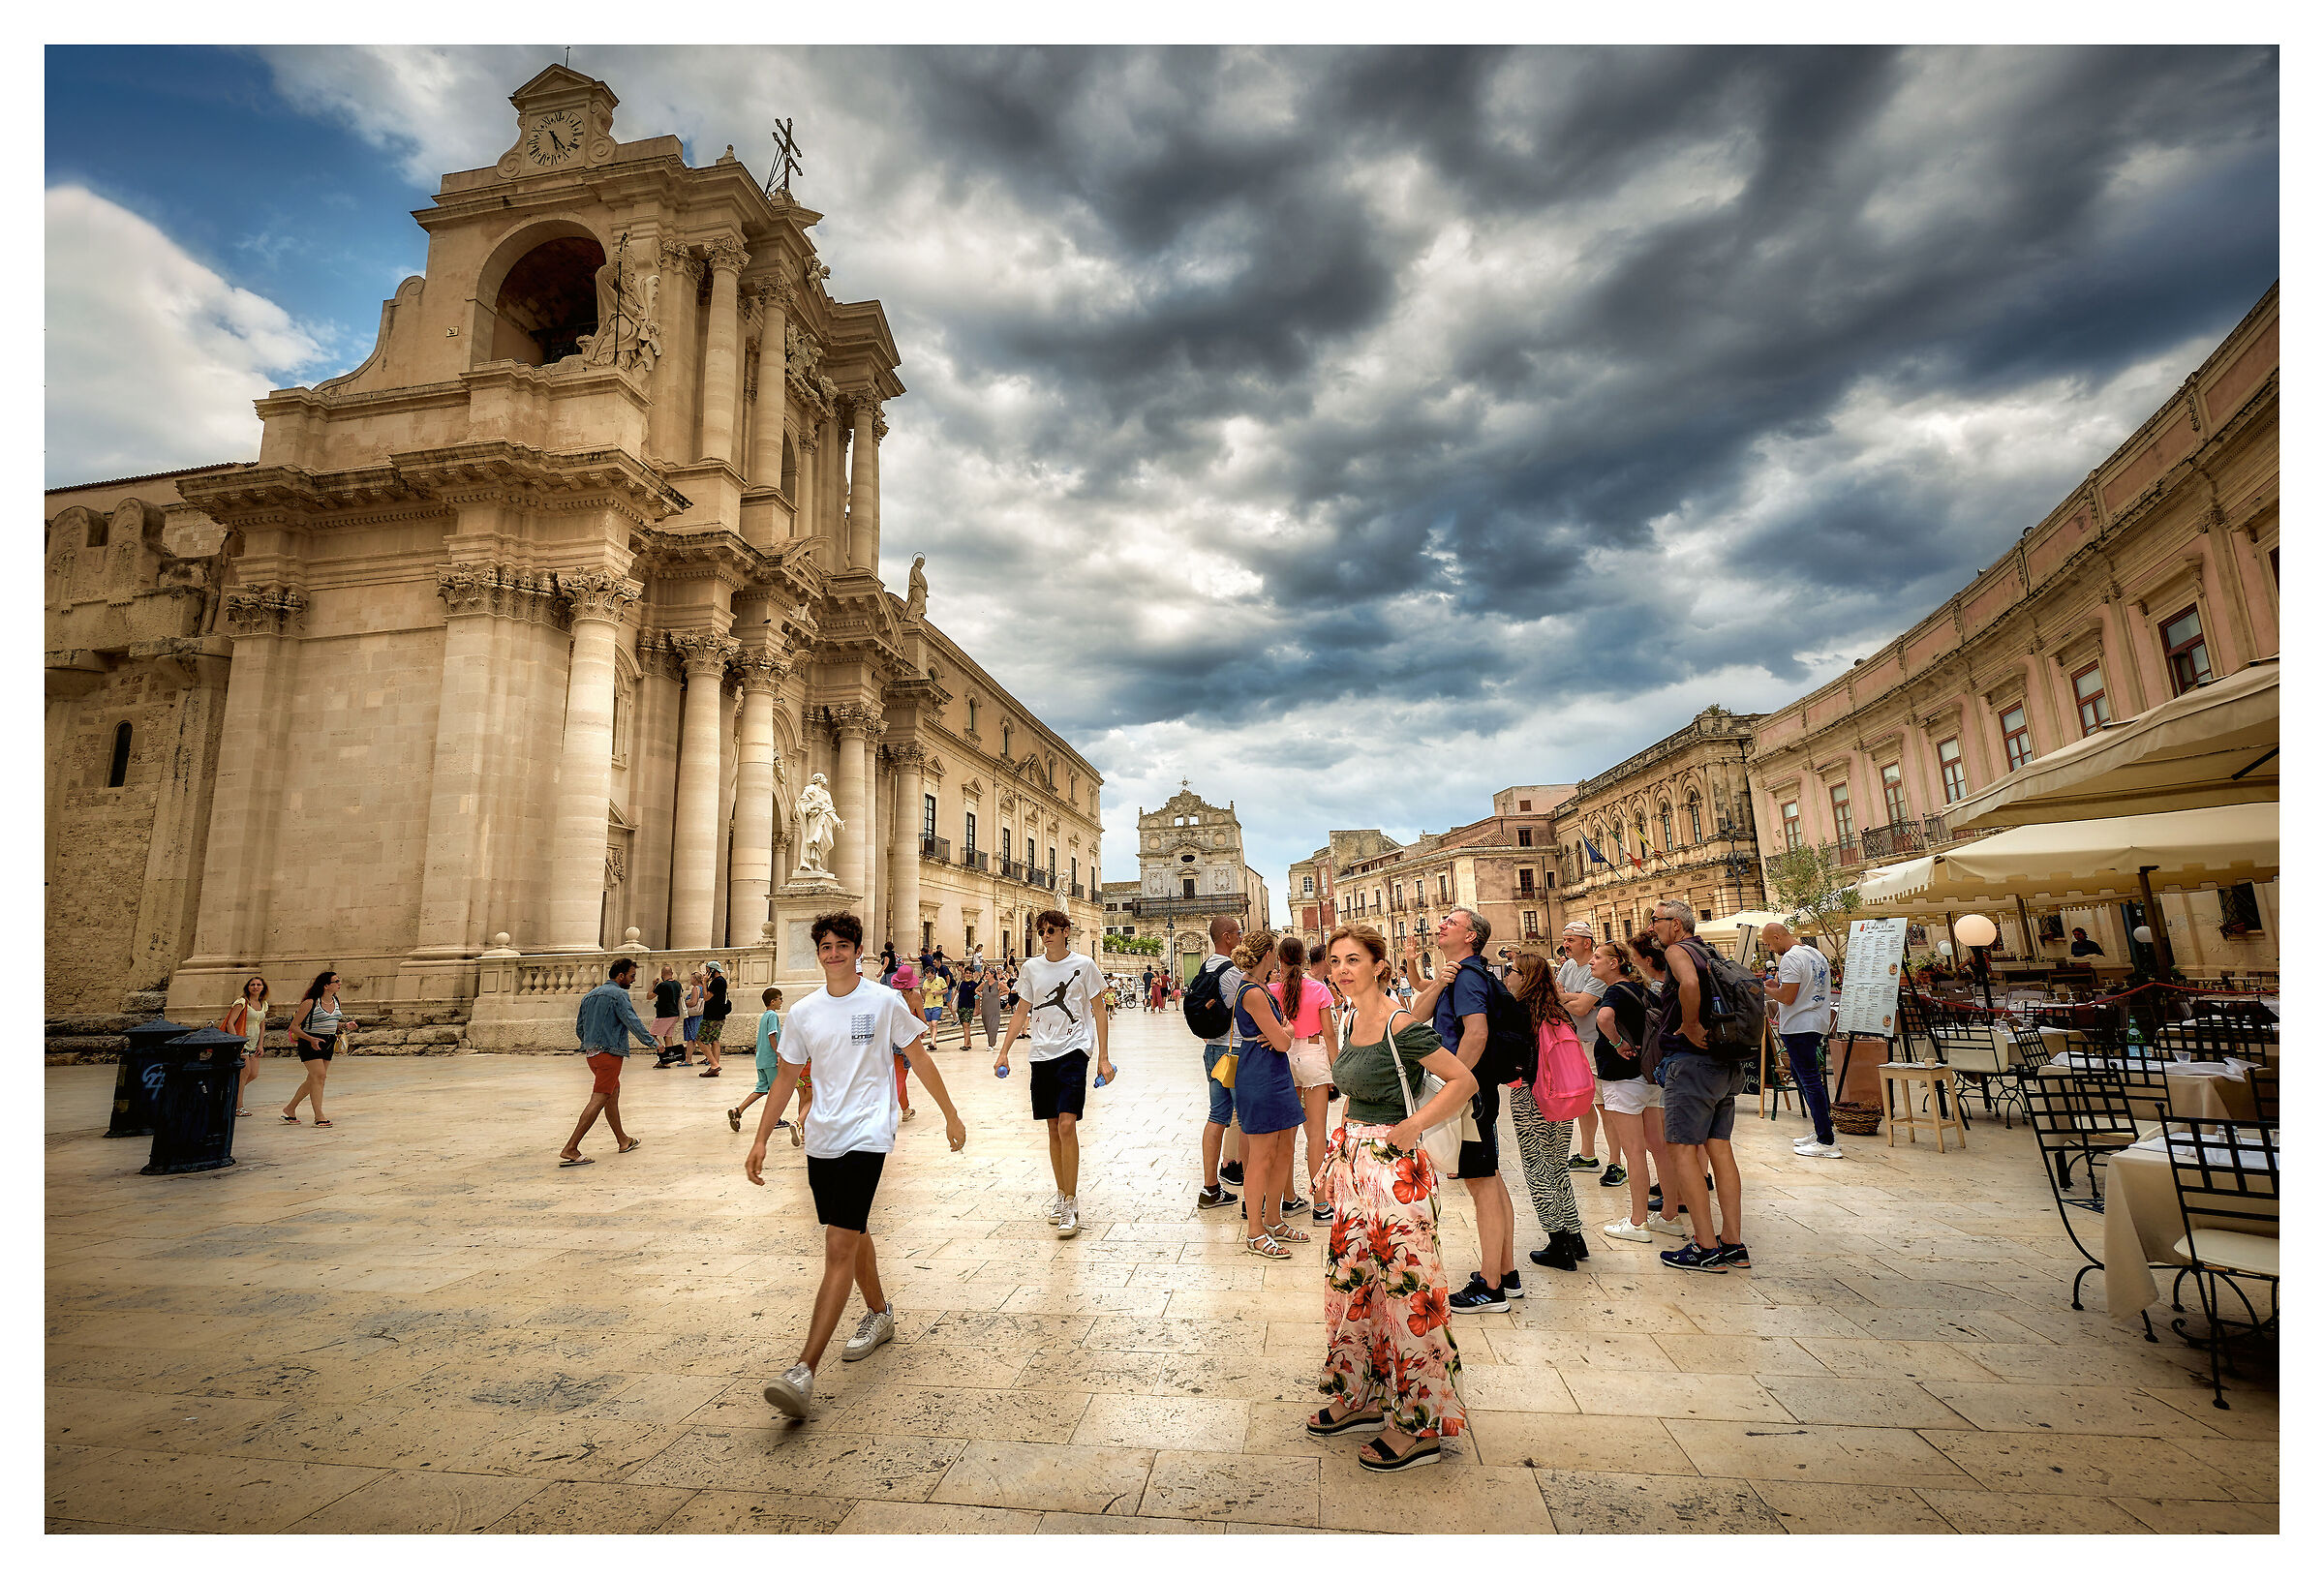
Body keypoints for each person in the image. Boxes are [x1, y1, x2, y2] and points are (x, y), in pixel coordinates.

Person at [747, 910, 966, 1422]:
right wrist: (760, 1138)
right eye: (825, 946)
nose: (834, 953)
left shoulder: (884, 1002)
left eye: (842, 944)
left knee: (839, 1243)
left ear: (857, 950)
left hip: (870, 1132)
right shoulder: (802, 1013)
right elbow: (785, 1079)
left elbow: (920, 1058)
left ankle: (803, 1371)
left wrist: (951, 1114)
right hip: (822, 1136)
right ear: (818, 953)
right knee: (853, 1229)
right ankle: (879, 1313)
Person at [1310, 923, 1472, 1472]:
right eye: (1334, 961)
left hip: (1396, 1170)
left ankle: (1419, 1424)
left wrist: (1412, 1127)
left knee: (1407, 1290)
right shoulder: (1349, 1016)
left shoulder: (1400, 1023)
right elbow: (1351, 1091)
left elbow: (1462, 1081)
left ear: (1379, 965)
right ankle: (1359, 1392)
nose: (1341, 970)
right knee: (1354, 1282)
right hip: (1355, 1167)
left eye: (1352, 959)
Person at [1406, 907, 1517, 1312]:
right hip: (1479, 1089)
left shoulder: (1468, 977)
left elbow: (1477, 1033)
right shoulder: (1463, 974)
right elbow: (1415, 1019)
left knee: (1481, 1183)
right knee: (1489, 1177)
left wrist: (1457, 1084)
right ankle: (1505, 1270)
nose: (1440, 926)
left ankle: (1491, 1287)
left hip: (1471, 1091)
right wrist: (1436, 982)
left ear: (1471, 936)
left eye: (1450, 923)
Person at [994, 909, 1114, 1237]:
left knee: (1066, 1123)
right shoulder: (1032, 968)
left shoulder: (1084, 966)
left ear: (1065, 932)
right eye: (1041, 930)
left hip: (1074, 1051)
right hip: (1041, 1053)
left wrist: (1103, 1057)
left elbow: (1099, 1011)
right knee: (1051, 1127)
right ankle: (1061, 1194)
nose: (1045, 935)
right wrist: (1003, 1051)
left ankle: (1072, 1201)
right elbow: (1021, 1011)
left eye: (1051, 929)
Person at [1646, 901, 1749, 1271]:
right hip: (1724, 1063)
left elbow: (1688, 983)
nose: (1652, 927)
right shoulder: (1710, 951)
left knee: (1683, 1150)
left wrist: (1688, 1024)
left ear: (1676, 924)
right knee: (1720, 1150)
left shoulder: (1678, 950)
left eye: (1655, 920)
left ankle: (1705, 1246)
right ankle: (1733, 1242)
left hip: (1691, 1065)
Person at [1501, 954, 1588, 1271]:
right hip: (1563, 1098)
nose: (1508, 976)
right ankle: (1575, 1235)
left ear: (1525, 978)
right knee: (1557, 1166)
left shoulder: (1520, 1011)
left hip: (1531, 1096)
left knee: (1537, 1168)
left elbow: (1513, 1056)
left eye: (1512, 971)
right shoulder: (1556, 1009)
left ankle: (1557, 1243)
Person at [1589, 941, 1677, 1242]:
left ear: (1615, 964)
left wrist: (1616, 1043)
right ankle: (1669, 1214)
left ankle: (1638, 1220)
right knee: (1659, 1147)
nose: (1592, 962)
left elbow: (1603, 1018)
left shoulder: (1615, 991)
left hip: (1624, 1076)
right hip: (1650, 1074)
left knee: (1633, 1151)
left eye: (1598, 957)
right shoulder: (1643, 989)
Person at [1230, 927, 1303, 1257]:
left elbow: (1284, 1031)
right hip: (1260, 1075)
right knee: (1261, 1155)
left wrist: (1283, 1030)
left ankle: (1273, 1219)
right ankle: (1255, 1230)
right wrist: (1284, 1031)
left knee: (1285, 1146)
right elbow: (1285, 1039)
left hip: (1276, 1073)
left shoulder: (1261, 988)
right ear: (1269, 954)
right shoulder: (1253, 992)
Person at [1271, 936, 1340, 1222]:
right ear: (1302, 959)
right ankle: (1321, 1204)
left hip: (1284, 1057)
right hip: (1313, 1054)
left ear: (1279, 959)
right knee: (1316, 1133)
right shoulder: (1319, 989)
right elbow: (1329, 1033)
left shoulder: (1272, 990)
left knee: (1286, 1135)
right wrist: (1336, 1068)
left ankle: (1289, 1198)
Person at [561, 957, 656, 1165]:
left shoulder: (590, 995)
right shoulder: (619, 995)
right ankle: (571, 1148)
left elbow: (580, 1028)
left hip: (592, 1054)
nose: (632, 981)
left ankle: (623, 1140)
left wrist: (591, 1043)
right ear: (620, 976)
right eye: (631, 977)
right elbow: (632, 1021)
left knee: (612, 1093)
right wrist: (653, 1043)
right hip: (609, 1055)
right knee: (599, 1098)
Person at [1763, 921, 1841, 1159]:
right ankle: (1821, 1130)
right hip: (1816, 1021)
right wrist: (1778, 986)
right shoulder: (1815, 954)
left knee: (1809, 1079)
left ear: (1778, 936)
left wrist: (1766, 989)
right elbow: (1802, 989)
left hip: (1799, 1025)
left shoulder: (1789, 959)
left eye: (1768, 943)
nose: (1769, 949)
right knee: (1802, 1075)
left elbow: (1787, 997)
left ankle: (1827, 1141)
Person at [1194, 914, 1245, 1209]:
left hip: (1213, 1050)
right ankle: (1254, 1196)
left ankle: (1210, 1188)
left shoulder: (1206, 967)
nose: (1240, 937)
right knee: (1248, 1120)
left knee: (1217, 1116)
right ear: (1227, 936)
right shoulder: (1233, 973)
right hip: (1236, 1051)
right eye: (1237, 933)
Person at [1554, 922, 1611, 1182]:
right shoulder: (1567, 966)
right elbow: (1557, 994)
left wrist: (1569, 997)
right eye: (1565, 939)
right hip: (1574, 1040)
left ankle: (1616, 1162)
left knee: (1603, 1104)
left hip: (1595, 1042)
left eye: (1571, 940)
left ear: (1586, 942)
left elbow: (1582, 1007)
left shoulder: (1595, 968)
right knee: (1584, 1102)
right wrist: (1571, 997)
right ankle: (1587, 1154)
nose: (1565, 944)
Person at [281, 968, 358, 1127]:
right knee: (320, 1077)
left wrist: (345, 1025)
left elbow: (331, 1022)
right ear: (325, 986)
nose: (340, 983)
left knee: (313, 1079)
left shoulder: (336, 1001)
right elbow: (294, 1027)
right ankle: (319, 1116)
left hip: (328, 1042)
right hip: (310, 1042)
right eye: (336, 981)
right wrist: (311, 1039)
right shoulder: (310, 1003)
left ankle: (290, 1109)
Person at [729, 987, 790, 1134]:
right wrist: (778, 1054)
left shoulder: (764, 1016)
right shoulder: (773, 1016)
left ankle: (738, 1110)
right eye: (780, 998)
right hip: (770, 1059)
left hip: (761, 1059)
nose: (782, 1001)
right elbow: (772, 1035)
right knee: (777, 1090)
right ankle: (775, 1119)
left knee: (762, 1089)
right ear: (773, 1001)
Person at [224, 975, 269, 1118]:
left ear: (263, 988)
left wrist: (261, 1044)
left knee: (253, 1074)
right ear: (248, 987)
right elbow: (231, 1022)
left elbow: (262, 1025)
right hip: (242, 1043)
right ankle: (238, 1107)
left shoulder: (264, 1004)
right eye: (252, 985)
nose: (255, 987)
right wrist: (237, 1042)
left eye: (258, 985)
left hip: (254, 1043)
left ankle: (229, 1094)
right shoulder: (242, 1002)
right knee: (244, 1074)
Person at [696, 962, 732, 1077]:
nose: (706, 974)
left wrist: (704, 983)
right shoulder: (722, 981)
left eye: (707, 971)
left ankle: (714, 1064)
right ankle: (715, 1067)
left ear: (712, 970)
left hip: (711, 1016)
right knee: (715, 1040)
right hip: (720, 1015)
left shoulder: (716, 982)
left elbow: (706, 997)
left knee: (700, 1040)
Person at [649, 965, 686, 1067]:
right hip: (674, 1014)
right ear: (672, 973)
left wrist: (653, 985)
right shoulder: (678, 984)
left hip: (664, 1014)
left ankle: (663, 1052)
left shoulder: (662, 985)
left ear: (662, 974)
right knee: (667, 1037)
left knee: (651, 1035)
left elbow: (649, 996)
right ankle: (667, 1061)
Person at [978, 960, 1006, 1048]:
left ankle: (991, 1044)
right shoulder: (984, 984)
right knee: (986, 1024)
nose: (985, 975)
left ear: (992, 975)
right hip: (985, 1007)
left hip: (994, 1007)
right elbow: (976, 990)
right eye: (985, 973)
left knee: (993, 1025)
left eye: (987, 974)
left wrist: (999, 995)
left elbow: (1007, 990)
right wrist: (982, 995)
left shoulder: (998, 984)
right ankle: (991, 1041)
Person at [681, 970, 705, 1066]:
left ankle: (688, 1059)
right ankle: (708, 1057)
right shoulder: (703, 988)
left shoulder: (696, 988)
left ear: (695, 979)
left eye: (691, 978)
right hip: (701, 1015)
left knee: (692, 1038)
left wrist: (684, 1003)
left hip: (693, 1016)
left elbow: (693, 1002)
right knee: (700, 1038)